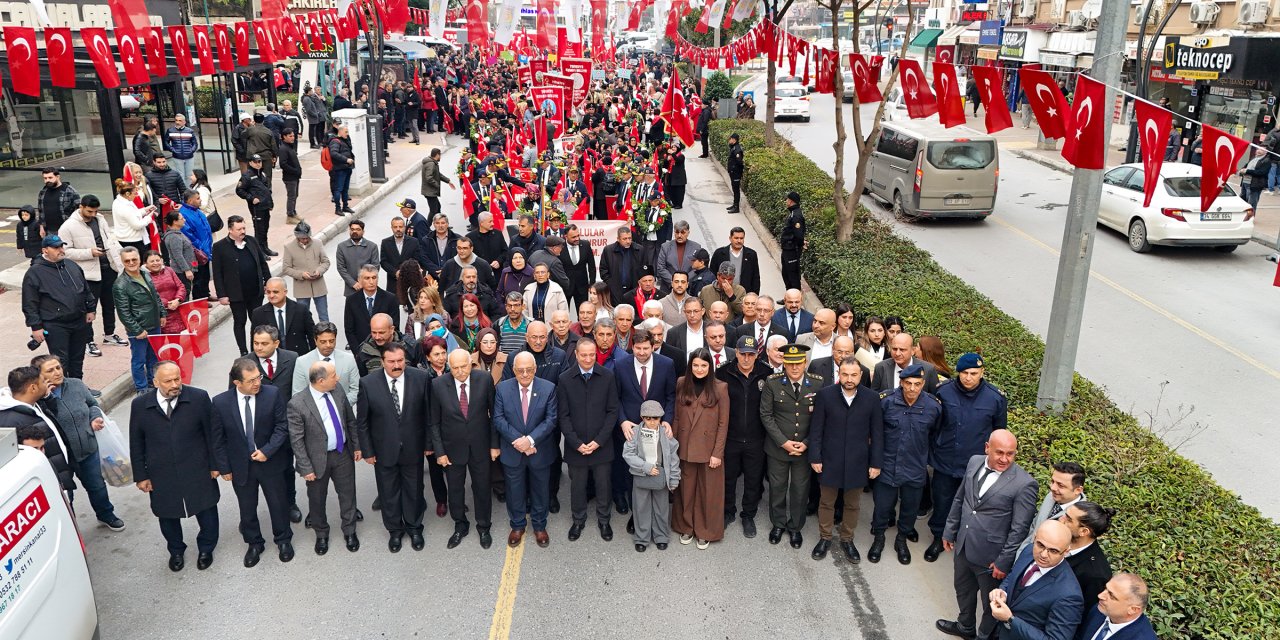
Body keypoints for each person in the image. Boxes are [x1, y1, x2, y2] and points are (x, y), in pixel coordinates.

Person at [936, 430, 1039, 640]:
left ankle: (984, 636)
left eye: (1010, 454)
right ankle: (965, 627)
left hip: (992, 559)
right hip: (964, 545)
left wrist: (1004, 561)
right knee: (962, 590)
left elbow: (1019, 529)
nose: (1004, 459)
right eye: (999, 452)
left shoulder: (1025, 484)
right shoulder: (974, 462)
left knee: (991, 604)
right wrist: (950, 530)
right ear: (986, 448)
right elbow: (961, 499)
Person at [130, 362, 221, 572]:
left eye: (177, 379)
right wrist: (141, 475)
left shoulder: (198, 398)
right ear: (155, 382)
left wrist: (215, 464)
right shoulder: (140, 405)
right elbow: (136, 443)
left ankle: (206, 548)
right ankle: (176, 551)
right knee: (167, 513)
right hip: (160, 472)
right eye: (168, 381)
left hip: (197, 467)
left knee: (206, 509)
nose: (174, 384)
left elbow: (212, 434)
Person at [210, 358, 294, 567]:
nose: (257, 383)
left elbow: (282, 426)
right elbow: (218, 438)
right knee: (247, 508)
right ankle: (254, 543)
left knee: (278, 503)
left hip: (270, 462)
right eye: (251, 380)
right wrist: (224, 467)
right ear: (237, 383)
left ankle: (283, 540)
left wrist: (267, 451)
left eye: (258, 377)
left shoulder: (272, 394)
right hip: (240, 466)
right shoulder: (220, 402)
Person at [927, 352, 1009, 563]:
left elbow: (999, 432)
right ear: (958, 373)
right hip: (946, 459)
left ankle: (961, 541)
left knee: (969, 504)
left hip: (975, 464)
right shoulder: (943, 392)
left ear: (982, 373)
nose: (968, 377)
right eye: (964, 373)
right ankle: (938, 536)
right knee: (942, 500)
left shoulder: (995, 398)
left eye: (974, 373)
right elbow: (934, 423)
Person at [33, 355, 125, 530]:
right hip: (61, 458)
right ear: (39, 375)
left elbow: (92, 404)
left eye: (58, 367)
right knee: (66, 495)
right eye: (50, 370)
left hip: (87, 449)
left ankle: (106, 514)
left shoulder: (76, 384)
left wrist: (95, 418)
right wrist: (45, 397)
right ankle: (71, 528)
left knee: (97, 486)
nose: (57, 372)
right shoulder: (37, 398)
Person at [356, 343, 431, 552]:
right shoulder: (368, 383)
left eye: (400, 361)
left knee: (414, 490)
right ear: (382, 362)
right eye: (391, 362)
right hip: (383, 451)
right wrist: (368, 451)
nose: (397, 365)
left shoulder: (421, 378)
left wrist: (428, 445)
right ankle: (395, 531)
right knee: (388, 493)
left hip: (413, 448)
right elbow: (362, 422)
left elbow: (428, 415)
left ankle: (415, 528)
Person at [807, 359, 883, 562]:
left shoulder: (872, 398)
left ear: (861, 375)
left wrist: (876, 463)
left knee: (852, 504)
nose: (849, 379)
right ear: (839, 374)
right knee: (826, 502)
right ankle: (825, 537)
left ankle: (847, 539)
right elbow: (816, 430)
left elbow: (877, 434)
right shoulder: (825, 395)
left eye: (854, 375)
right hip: (829, 460)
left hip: (858, 461)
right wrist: (815, 456)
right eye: (845, 374)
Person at [288, 359, 362, 555]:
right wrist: (305, 468)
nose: (337, 378)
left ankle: (350, 531)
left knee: (348, 494)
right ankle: (321, 534)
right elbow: (296, 440)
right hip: (315, 461)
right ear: (320, 381)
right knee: (317, 500)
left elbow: (350, 421)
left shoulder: (338, 392)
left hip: (342, 453)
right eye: (333, 376)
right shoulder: (297, 404)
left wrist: (356, 446)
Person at [871, 363, 940, 565]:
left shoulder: (933, 407)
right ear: (901, 383)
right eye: (908, 383)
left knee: (910, 508)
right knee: (882, 507)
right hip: (887, 464)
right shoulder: (885, 401)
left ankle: (901, 540)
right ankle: (879, 538)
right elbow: (874, 432)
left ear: (923, 384)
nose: (912, 388)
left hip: (915, 467)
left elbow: (934, 435)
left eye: (917, 384)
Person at [429, 349, 498, 550]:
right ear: (449, 367)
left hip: (481, 446)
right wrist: (440, 452)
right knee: (456, 490)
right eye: (455, 368)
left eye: (464, 366)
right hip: (452, 449)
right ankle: (460, 525)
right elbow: (433, 422)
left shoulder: (484, 380)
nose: (460, 371)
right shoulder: (437, 385)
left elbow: (495, 415)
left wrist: (494, 445)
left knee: (483, 488)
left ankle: (484, 527)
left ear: (471, 364)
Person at [760, 344, 823, 549]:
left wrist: (805, 443)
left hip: (804, 450)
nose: (794, 367)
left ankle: (795, 527)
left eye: (798, 363)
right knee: (777, 488)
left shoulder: (817, 384)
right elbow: (766, 415)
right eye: (790, 363)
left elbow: (821, 419)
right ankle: (778, 524)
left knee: (799, 489)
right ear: (784, 364)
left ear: (805, 363)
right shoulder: (773, 383)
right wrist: (784, 442)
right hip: (778, 448)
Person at [494, 352, 558, 548]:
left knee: (540, 490)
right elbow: (498, 419)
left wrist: (530, 441)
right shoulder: (502, 389)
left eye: (528, 370)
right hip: (513, 451)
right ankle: (517, 525)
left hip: (539, 450)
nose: (524, 374)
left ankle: (539, 525)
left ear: (535, 369)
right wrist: (519, 441)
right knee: (515, 491)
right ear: (513, 370)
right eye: (520, 370)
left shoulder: (548, 388)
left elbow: (551, 420)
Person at [558, 338, 620, 542]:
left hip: (601, 445)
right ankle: (578, 520)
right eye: (583, 355)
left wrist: (599, 441)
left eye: (591, 355)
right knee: (578, 487)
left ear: (596, 354)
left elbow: (612, 411)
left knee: (604, 485)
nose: (587, 358)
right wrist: (576, 443)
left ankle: (604, 520)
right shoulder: (565, 379)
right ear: (576, 355)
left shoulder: (608, 376)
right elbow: (563, 416)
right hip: (576, 446)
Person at [669, 348, 730, 549]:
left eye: (704, 365)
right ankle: (686, 526)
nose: (699, 369)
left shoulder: (720, 388)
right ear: (690, 366)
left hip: (708, 450)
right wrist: (673, 448)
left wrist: (717, 453)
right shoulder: (681, 383)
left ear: (710, 367)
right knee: (685, 490)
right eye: (695, 365)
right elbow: (677, 418)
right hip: (685, 446)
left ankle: (705, 530)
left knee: (708, 492)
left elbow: (723, 424)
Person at [988, 520, 1084, 640]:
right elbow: (1013, 576)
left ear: (1066, 552)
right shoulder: (1029, 550)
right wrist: (1002, 592)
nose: (1043, 554)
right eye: (1040, 545)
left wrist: (1010, 619)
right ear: (1034, 537)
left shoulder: (1069, 595)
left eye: (1053, 551)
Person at [22, 235, 96, 380]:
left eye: (61, 246)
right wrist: (36, 326)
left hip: (78, 320)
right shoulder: (34, 272)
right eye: (56, 247)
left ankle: (78, 387)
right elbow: (29, 303)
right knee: (61, 361)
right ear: (45, 250)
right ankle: (63, 390)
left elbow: (85, 288)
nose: (61, 250)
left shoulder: (71, 265)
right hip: (55, 323)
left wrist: (90, 308)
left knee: (77, 357)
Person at [59, 194, 125, 354]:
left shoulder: (100, 219)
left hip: (108, 268)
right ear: (80, 207)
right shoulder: (68, 227)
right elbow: (64, 252)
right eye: (89, 211)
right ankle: (88, 341)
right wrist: (90, 252)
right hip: (87, 274)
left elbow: (109, 239)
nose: (93, 215)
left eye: (95, 211)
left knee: (110, 304)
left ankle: (109, 334)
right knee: (89, 309)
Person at [2, 366, 75, 493]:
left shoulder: (34, 403)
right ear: (33, 388)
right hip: (45, 485)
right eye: (42, 381)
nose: (46, 383)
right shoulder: (11, 422)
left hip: (57, 478)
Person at [622, 400, 681, 552]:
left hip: (660, 475)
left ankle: (661, 536)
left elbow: (673, 457)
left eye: (655, 418)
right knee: (641, 507)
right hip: (641, 474)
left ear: (660, 418)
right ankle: (641, 538)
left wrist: (674, 478)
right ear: (642, 418)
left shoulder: (666, 434)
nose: (652, 422)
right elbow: (628, 454)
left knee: (661, 508)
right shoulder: (635, 433)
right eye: (648, 418)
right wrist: (645, 467)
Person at [212, 216, 270, 355]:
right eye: (239, 229)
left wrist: (268, 281)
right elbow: (217, 273)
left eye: (244, 228)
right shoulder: (220, 247)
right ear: (230, 230)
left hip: (255, 291)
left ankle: (255, 348)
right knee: (240, 321)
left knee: (257, 321)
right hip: (236, 293)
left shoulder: (251, 240)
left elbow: (262, 263)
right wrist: (222, 295)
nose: (242, 231)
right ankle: (243, 351)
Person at [111, 247, 163, 394]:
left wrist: (162, 314)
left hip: (154, 324)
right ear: (122, 262)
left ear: (140, 259)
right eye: (127, 261)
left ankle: (154, 383)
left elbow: (155, 296)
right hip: (139, 329)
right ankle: (142, 388)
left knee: (154, 357)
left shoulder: (145, 274)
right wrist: (137, 330)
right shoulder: (120, 285)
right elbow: (123, 312)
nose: (131, 262)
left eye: (134, 259)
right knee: (139, 360)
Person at [1061, 501, 1115, 618]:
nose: (1061, 519)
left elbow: (1084, 615)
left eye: (1069, 519)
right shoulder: (1059, 540)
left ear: (1084, 531)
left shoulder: (1095, 574)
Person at [1020, 461, 1087, 554]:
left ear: (1078, 490)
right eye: (1052, 481)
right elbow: (1034, 527)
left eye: (1060, 485)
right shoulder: (1051, 496)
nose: (1053, 488)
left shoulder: (1081, 517)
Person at [294, 322, 361, 405]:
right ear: (315, 341)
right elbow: (298, 395)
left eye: (331, 341)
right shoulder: (302, 362)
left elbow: (356, 389)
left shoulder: (348, 359)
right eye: (323, 342)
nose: (328, 345)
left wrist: (341, 405)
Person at [1078, 574, 1158, 640]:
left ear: (1133, 609)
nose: (1100, 596)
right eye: (1105, 589)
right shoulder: (1099, 610)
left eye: (1112, 596)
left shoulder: (1143, 637)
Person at [250, 277, 316, 356]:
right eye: (268, 292)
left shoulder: (301, 310)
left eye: (275, 292)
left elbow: (312, 336)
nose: (271, 295)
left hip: (299, 357)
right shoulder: (258, 313)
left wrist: (314, 358)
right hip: (272, 360)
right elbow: (254, 341)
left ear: (285, 292)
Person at [281, 221, 331, 321]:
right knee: (302, 317)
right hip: (301, 289)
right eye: (303, 238)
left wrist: (319, 271)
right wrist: (301, 274)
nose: (305, 240)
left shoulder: (318, 243)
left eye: (307, 238)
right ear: (297, 237)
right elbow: (286, 268)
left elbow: (326, 262)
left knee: (324, 316)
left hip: (319, 287)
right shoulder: (289, 247)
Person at [344, 264, 400, 349]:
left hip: (385, 349)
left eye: (374, 278)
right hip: (361, 349)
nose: (371, 281)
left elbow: (394, 327)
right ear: (359, 280)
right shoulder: (351, 301)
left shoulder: (390, 299)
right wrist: (357, 353)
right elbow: (349, 330)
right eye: (367, 278)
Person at [236, 154, 277, 257]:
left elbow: (267, 190)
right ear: (250, 163)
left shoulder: (262, 174)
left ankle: (265, 248)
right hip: (256, 207)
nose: (258, 164)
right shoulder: (247, 176)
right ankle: (259, 252)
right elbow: (239, 190)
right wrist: (251, 198)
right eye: (255, 162)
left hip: (265, 206)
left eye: (259, 161)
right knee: (259, 229)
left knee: (265, 227)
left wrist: (270, 203)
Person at [871, 333, 940, 393]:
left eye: (902, 350)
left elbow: (935, 398)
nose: (897, 353)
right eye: (894, 349)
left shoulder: (928, 370)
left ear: (912, 351)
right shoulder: (881, 367)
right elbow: (874, 397)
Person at [177, 188, 213, 300]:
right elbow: (188, 234)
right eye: (197, 198)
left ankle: (206, 294)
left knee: (206, 274)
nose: (200, 200)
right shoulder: (183, 214)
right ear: (190, 201)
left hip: (206, 249)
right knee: (199, 277)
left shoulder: (197, 211)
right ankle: (200, 299)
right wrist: (200, 247)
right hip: (197, 252)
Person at [599, 226, 645, 303]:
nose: (628, 241)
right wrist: (611, 284)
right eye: (625, 239)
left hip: (634, 289)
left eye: (630, 238)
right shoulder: (608, 250)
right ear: (618, 239)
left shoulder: (639, 250)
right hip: (615, 290)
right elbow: (603, 270)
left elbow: (644, 269)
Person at [710, 227, 761, 294]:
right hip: (722, 293)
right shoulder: (719, 253)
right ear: (730, 238)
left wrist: (754, 295)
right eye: (736, 238)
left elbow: (755, 277)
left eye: (741, 238)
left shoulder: (751, 255)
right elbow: (712, 274)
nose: (739, 241)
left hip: (744, 294)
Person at [381, 217, 422, 299]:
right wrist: (395, 272)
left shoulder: (414, 241)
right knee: (393, 307)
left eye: (400, 227)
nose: (398, 229)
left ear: (404, 227)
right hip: (393, 283)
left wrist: (405, 271)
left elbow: (417, 259)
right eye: (395, 227)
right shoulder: (385, 242)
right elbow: (383, 262)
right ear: (392, 228)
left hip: (410, 282)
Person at [655, 221, 702, 290]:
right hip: (668, 288)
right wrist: (674, 282)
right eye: (677, 232)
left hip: (688, 288)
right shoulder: (665, 247)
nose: (679, 235)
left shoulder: (696, 247)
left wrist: (684, 281)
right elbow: (661, 267)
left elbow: (697, 267)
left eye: (682, 232)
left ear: (688, 233)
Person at [112, 178, 154, 255]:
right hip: (132, 240)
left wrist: (144, 210)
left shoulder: (120, 201)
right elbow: (137, 225)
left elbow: (133, 214)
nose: (136, 195)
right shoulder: (124, 206)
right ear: (127, 194)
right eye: (135, 193)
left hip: (127, 238)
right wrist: (149, 217)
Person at [335, 220, 379, 293]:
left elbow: (375, 266)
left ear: (363, 231)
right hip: (350, 288)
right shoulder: (341, 247)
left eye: (358, 229)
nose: (354, 232)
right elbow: (341, 268)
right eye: (352, 229)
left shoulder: (372, 246)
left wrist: (365, 281)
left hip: (369, 287)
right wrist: (353, 283)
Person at [37, 168, 80, 238]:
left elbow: (79, 211)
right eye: (45, 178)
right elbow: (41, 211)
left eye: (50, 177)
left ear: (57, 177)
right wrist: (41, 227)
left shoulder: (70, 191)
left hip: (66, 230)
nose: (47, 180)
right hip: (49, 232)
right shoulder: (43, 192)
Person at [779, 191, 806, 291]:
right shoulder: (793, 213)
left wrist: (800, 244)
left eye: (787, 199)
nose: (786, 201)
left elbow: (799, 235)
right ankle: (788, 295)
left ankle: (795, 297)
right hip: (787, 249)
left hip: (792, 250)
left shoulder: (796, 215)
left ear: (790, 201)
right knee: (786, 273)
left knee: (793, 275)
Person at [327, 124, 356, 215]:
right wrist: (346, 160)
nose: (347, 134)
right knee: (338, 189)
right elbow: (333, 153)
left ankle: (345, 206)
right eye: (346, 132)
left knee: (345, 189)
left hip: (347, 168)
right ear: (340, 131)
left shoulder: (345, 140)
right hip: (339, 169)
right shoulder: (335, 141)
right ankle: (338, 208)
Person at [420, 148, 455, 216]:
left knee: (437, 207)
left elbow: (438, 174)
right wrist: (437, 185)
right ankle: (427, 225)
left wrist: (448, 181)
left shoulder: (432, 163)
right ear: (437, 155)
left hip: (430, 191)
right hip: (430, 192)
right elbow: (429, 177)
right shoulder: (431, 164)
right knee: (433, 211)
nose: (440, 157)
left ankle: (441, 223)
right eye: (440, 155)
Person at [164, 114, 199, 183]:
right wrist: (173, 150)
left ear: (184, 122)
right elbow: (166, 142)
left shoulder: (189, 131)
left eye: (180, 120)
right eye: (176, 120)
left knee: (189, 175)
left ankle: (189, 191)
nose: (177, 122)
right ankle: (183, 192)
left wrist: (191, 151)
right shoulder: (170, 131)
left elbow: (195, 143)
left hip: (189, 157)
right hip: (177, 156)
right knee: (180, 175)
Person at [278, 130, 303, 225]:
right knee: (291, 196)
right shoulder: (283, 148)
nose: (292, 138)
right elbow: (283, 164)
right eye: (290, 136)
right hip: (289, 177)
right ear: (284, 137)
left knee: (295, 195)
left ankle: (293, 212)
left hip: (295, 176)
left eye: (293, 136)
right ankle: (289, 216)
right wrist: (294, 170)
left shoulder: (290, 147)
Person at [726, 133, 744, 213]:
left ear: (734, 140)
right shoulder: (733, 147)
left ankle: (736, 207)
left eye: (730, 139)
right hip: (733, 172)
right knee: (734, 189)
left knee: (736, 190)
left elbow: (739, 162)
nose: (729, 140)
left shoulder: (737, 150)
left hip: (736, 173)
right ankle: (734, 204)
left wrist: (734, 170)